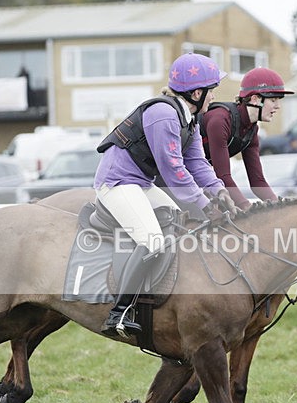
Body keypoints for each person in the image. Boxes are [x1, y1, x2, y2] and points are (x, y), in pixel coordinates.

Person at [93, 53, 237, 336]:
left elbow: (197, 163)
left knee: (181, 225)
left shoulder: (190, 119)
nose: (213, 96)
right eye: (212, 90)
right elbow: (173, 171)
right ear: (197, 92)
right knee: (153, 242)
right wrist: (205, 205)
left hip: (140, 184)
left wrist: (220, 192)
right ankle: (119, 313)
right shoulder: (163, 114)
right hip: (118, 182)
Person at [201, 67, 293, 211]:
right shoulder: (221, 120)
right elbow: (223, 176)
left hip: (198, 178)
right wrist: (246, 208)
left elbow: (257, 182)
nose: (278, 106)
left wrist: (280, 208)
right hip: (170, 177)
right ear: (255, 99)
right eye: (273, 100)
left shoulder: (252, 130)